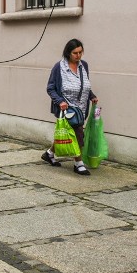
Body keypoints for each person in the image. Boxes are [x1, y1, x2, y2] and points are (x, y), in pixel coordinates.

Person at [44, 38, 98, 176]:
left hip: (81, 109)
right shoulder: (59, 67)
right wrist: (60, 101)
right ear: (68, 53)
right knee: (78, 135)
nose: (78, 56)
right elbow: (50, 88)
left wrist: (92, 95)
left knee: (68, 134)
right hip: (67, 109)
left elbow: (84, 85)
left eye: (80, 52)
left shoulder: (83, 65)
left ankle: (49, 154)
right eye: (75, 53)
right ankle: (78, 164)